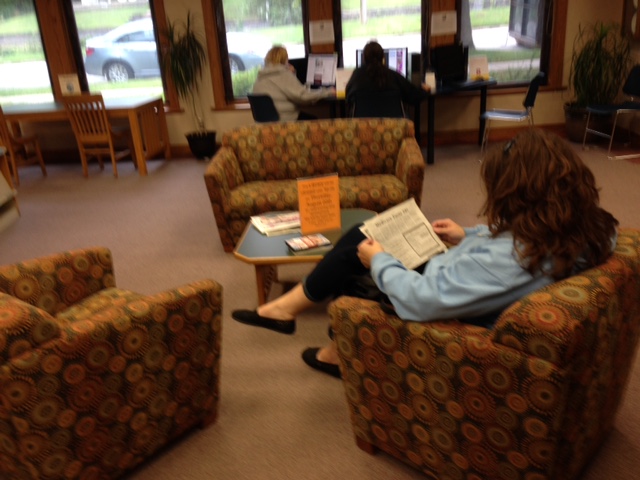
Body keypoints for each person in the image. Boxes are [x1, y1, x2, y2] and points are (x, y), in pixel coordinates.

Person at [232, 128, 619, 378]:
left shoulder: (505, 262)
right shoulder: (590, 228)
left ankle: (311, 331)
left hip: (438, 300)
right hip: (461, 279)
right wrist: (467, 233)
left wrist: (380, 261)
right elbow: (517, 242)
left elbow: (421, 301)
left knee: (358, 259)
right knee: (366, 232)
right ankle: (291, 315)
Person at [252, 45, 335, 121]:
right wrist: (327, 92)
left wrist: (292, 74)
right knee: (314, 120)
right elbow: (303, 96)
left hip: (265, 122)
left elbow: (290, 90)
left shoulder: (260, 76)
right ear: (285, 59)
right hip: (285, 119)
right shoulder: (283, 74)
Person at [345, 40, 429, 114]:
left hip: (363, 127)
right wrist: (424, 90)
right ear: (383, 57)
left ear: (364, 58)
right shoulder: (392, 75)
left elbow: (348, 98)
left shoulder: (357, 75)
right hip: (393, 128)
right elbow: (413, 97)